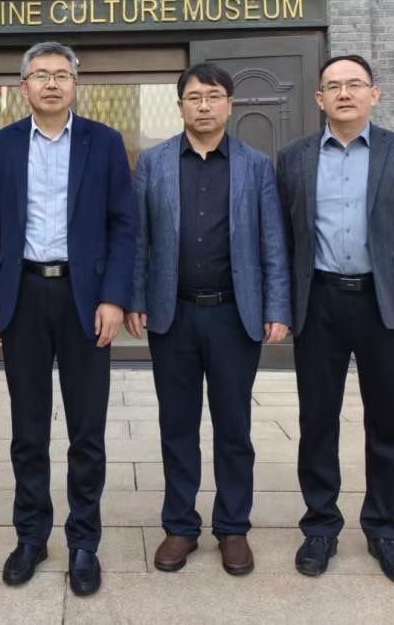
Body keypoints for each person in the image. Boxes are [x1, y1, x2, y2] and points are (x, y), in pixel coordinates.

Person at [275, 55, 394, 584]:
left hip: (384, 305)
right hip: (318, 302)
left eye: (354, 84)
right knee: (317, 420)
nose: (344, 94)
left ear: (374, 94)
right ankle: (320, 526)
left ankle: (385, 529)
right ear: (319, 98)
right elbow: (282, 238)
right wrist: (280, 306)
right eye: (333, 86)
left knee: (389, 421)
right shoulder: (294, 157)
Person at [0, 41, 135, 597]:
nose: (51, 83)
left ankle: (83, 541)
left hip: (84, 297)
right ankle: (30, 536)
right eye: (41, 75)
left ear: (75, 84)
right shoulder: (2, 144)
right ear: (23, 86)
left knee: (86, 429)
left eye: (61, 75)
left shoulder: (104, 141)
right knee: (28, 428)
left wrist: (114, 297)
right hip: (22, 294)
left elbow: (123, 225)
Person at [126, 63, 292, 575]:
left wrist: (276, 307)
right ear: (179, 106)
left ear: (229, 105)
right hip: (172, 315)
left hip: (232, 315)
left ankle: (233, 527)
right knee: (177, 425)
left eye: (214, 96)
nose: (204, 105)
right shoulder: (153, 163)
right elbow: (138, 239)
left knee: (233, 426)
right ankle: (180, 526)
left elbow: (272, 241)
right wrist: (135, 298)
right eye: (194, 97)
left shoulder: (256, 166)